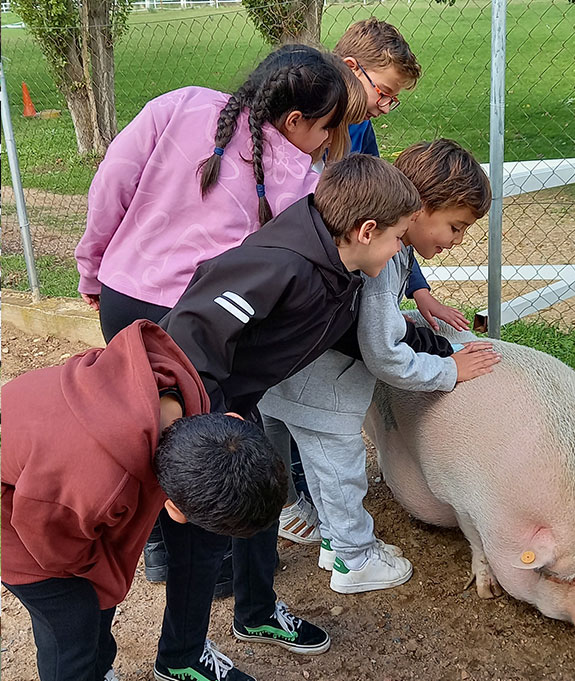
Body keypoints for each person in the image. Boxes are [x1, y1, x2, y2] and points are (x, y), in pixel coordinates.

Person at [152, 153, 491, 681]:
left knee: (258, 505)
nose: (404, 251)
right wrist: (203, 423)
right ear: (368, 228)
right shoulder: (282, 264)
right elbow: (192, 330)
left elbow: (351, 333)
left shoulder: (343, 267)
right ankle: (180, 658)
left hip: (242, 403)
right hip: (203, 414)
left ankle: (257, 612)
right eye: (400, 238)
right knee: (203, 532)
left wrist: (439, 349)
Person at [72, 43, 364, 585]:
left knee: (143, 419)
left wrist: (93, 269)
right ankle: (211, 559)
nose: (327, 142)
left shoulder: (179, 104)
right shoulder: (300, 181)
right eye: (326, 128)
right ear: (296, 120)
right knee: (207, 444)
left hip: (123, 297)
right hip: (199, 327)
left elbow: (111, 184)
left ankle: (155, 545)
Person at [259, 139, 498, 593]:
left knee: (321, 469)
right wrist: (450, 371)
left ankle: (333, 542)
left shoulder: (391, 252)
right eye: (456, 226)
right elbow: (383, 353)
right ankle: (354, 561)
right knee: (341, 473)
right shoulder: (384, 264)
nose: (456, 241)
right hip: (322, 392)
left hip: (296, 380)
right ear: (419, 208)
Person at [1, 320, 288, 681]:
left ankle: (98, 668)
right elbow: (51, 548)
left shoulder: (183, 392)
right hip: (20, 517)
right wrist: (103, 579)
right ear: (174, 509)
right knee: (70, 621)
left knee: (97, 601)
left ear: (230, 421)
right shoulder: (99, 488)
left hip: (40, 456)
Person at [332, 17, 473, 334]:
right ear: (352, 68)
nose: (384, 107)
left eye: (392, 100)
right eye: (383, 92)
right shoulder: (305, 126)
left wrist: (417, 289)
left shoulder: (360, 125)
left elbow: (389, 207)